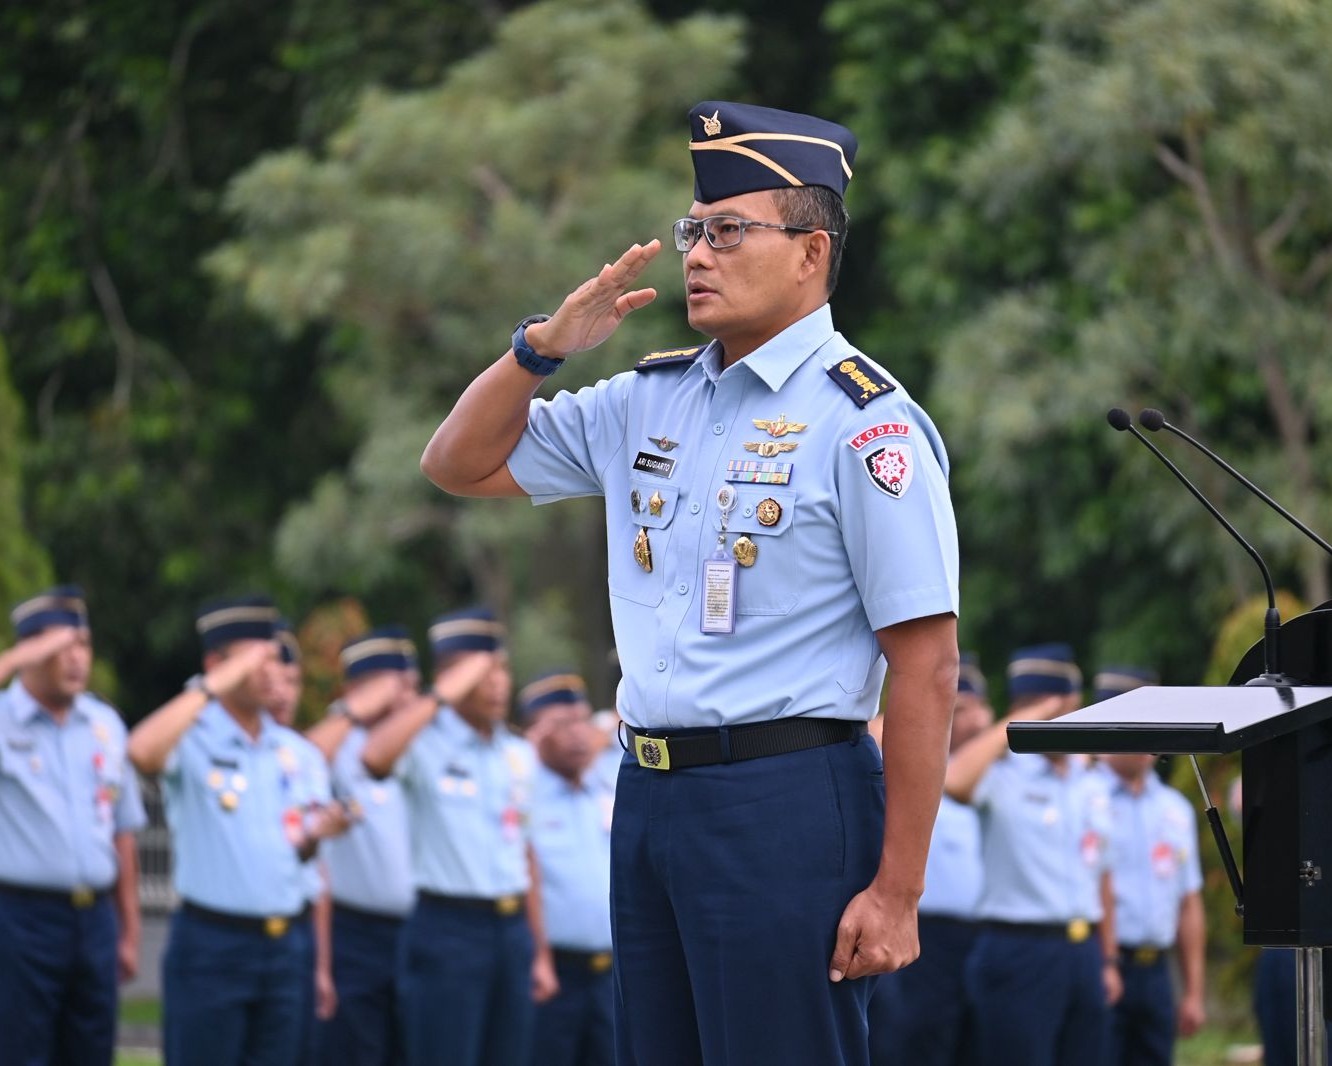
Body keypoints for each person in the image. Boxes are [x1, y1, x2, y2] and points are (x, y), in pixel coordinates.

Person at [420, 100, 960, 1065]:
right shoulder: (648, 398)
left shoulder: (865, 425)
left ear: (811, 251)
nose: (697, 256)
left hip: (786, 799)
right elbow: (457, 462)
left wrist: (899, 890)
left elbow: (925, 667)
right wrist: (540, 348)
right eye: (693, 232)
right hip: (651, 795)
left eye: (730, 231)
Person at [126, 595, 348, 1066]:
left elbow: (290, 849)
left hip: (284, 946)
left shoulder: (286, 749)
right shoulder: (192, 732)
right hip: (214, 946)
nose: (271, 671)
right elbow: (142, 752)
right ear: (216, 665)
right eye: (257, 659)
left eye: (274, 657)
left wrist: (314, 836)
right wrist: (212, 687)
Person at [361, 607, 556, 1066]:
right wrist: (440, 696)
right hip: (449, 927)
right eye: (485, 674)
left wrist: (540, 950)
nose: (500, 684)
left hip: (510, 931)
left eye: (503, 671)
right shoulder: (425, 741)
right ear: (452, 679)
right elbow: (373, 757)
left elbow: (525, 853)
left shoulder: (516, 752)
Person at [945, 644, 1118, 1066]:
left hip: (1083, 950)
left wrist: (1107, 959)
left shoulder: (1091, 779)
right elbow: (952, 779)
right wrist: (1023, 723)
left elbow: (1102, 877)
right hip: (1019, 951)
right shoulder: (1002, 775)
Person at [0, 585, 146, 1066]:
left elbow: (122, 831)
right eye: (62, 648)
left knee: (91, 1052)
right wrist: (15, 657)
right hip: (22, 921)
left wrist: (129, 930)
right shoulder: (5, 720)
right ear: (30, 653)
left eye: (84, 645)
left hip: (94, 921)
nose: (77, 660)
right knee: (21, 1051)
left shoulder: (104, 724)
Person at [869, 652, 991, 1066]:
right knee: (913, 1043)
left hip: (981, 936)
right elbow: (877, 729)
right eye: (956, 710)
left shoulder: (992, 765)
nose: (965, 722)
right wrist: (926, 713)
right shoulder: (894, 748)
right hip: (921, 934)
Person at [306, 626, 418, 1066]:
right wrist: (353, 711)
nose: (409, 696)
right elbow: (300, 760)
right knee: (358, 1051)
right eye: (396, 687)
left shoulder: (416, 745)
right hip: (354, 935)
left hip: (416, 931)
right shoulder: (341, 745)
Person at [1093, 666, 1206, 1066]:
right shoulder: (1085, 796)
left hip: (1156, 971)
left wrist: (1193, 991)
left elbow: (1188, 903)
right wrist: (1105, 962)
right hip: (1100, 966)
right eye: (1134, 727)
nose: (1146, 740)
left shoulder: (1174, 810)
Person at [521, 670, 617, 1066]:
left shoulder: (603, 787)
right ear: (536, 735)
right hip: (553, 974)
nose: (579, 733)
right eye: (563, 724)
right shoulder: (524, 795)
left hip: (612, 975)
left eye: (582, 719)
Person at [270, 618, 350, 1063]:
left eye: (294, 680)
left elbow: (314, 872)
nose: (285, 692)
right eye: (276, 679)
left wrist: (321, 965)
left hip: (297, 930)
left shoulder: (305, 757)